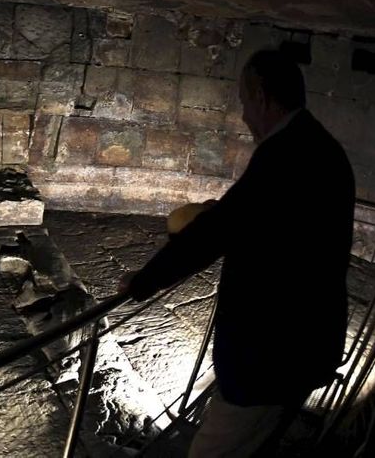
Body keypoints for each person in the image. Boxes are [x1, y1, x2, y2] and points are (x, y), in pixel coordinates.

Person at [120, 48, 356, 457]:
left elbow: (213, 234)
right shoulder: (320, 146)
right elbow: (276, 224)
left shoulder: (284, 154)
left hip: (272, 352)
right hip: (305, 341)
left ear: (262, 96)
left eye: (245, 101)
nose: (245, 115)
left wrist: (142, 282)